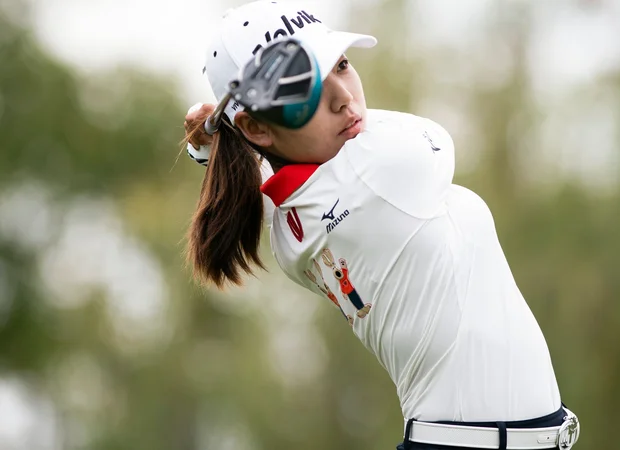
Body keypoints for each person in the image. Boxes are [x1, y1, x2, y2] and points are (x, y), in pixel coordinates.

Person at [182, 1, 580, 449]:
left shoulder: (288, 222)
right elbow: (422, 136)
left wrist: (226, 131)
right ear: (257, 128)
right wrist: (221, 128)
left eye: (342, 65)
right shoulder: (384, 167)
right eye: (305, 87)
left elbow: (261, 167)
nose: (343, 97)